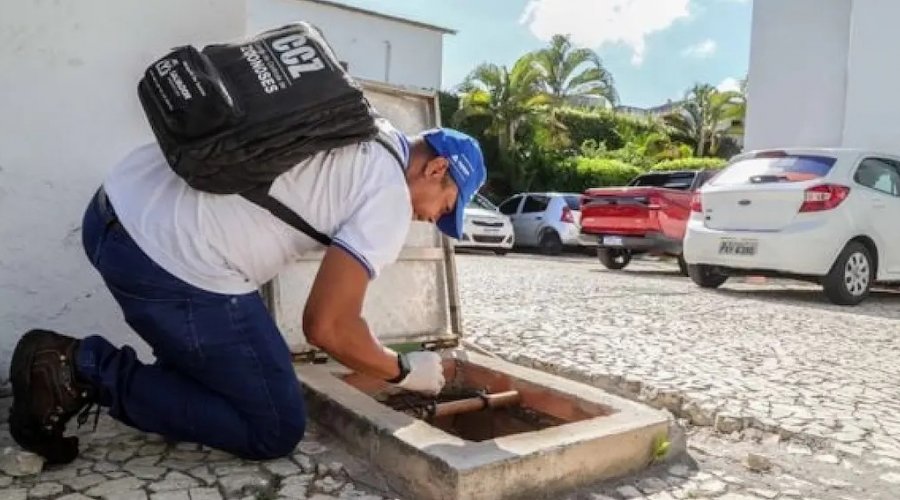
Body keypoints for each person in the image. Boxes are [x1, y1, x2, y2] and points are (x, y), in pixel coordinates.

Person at [8, 122, 486, 464]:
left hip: (108, 214)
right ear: (436, 167)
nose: (435, 221)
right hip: (166, 261)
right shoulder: (387, 194)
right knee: (275, 426)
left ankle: (163, 383)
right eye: (445, 206)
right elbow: (327, 327)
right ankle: (79, 369)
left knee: (232, 365)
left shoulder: (358, 127)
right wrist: (403, 371)